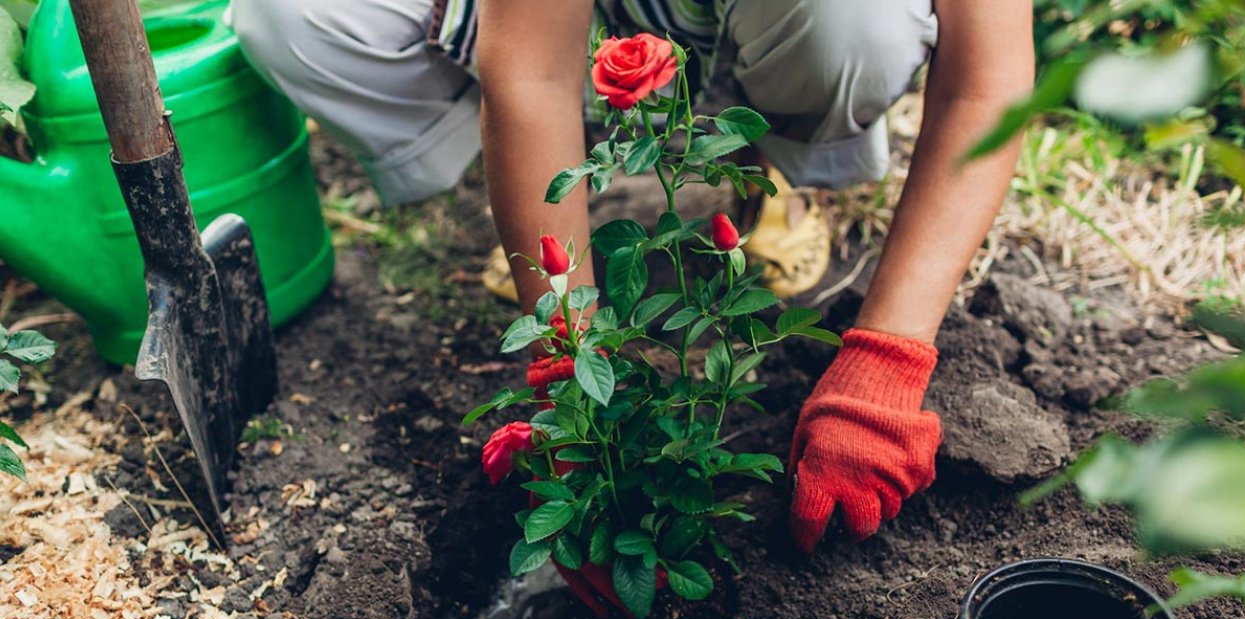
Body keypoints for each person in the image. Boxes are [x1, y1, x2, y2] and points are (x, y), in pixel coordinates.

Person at [228, 0, 1034, 553]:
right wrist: (566, 373)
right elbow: (533, 69)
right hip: (594, 22)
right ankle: (546, 206)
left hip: (789, 23)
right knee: (291, 15)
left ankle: (763, 175)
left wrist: (887, 358)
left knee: (848, 24)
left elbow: (989, 81)